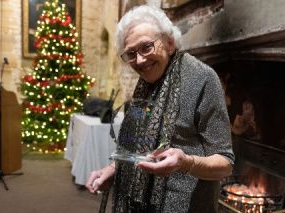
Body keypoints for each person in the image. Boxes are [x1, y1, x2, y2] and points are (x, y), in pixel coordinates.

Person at [86, 5, 234, 213]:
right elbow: (137, 148)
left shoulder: (201, 79)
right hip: (136, 204)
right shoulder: (144, 84)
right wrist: (114, 169)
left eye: (146, 47)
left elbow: (225, 164)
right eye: (131, 53)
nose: (139, 60)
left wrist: (186, 163)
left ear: (170, 42)